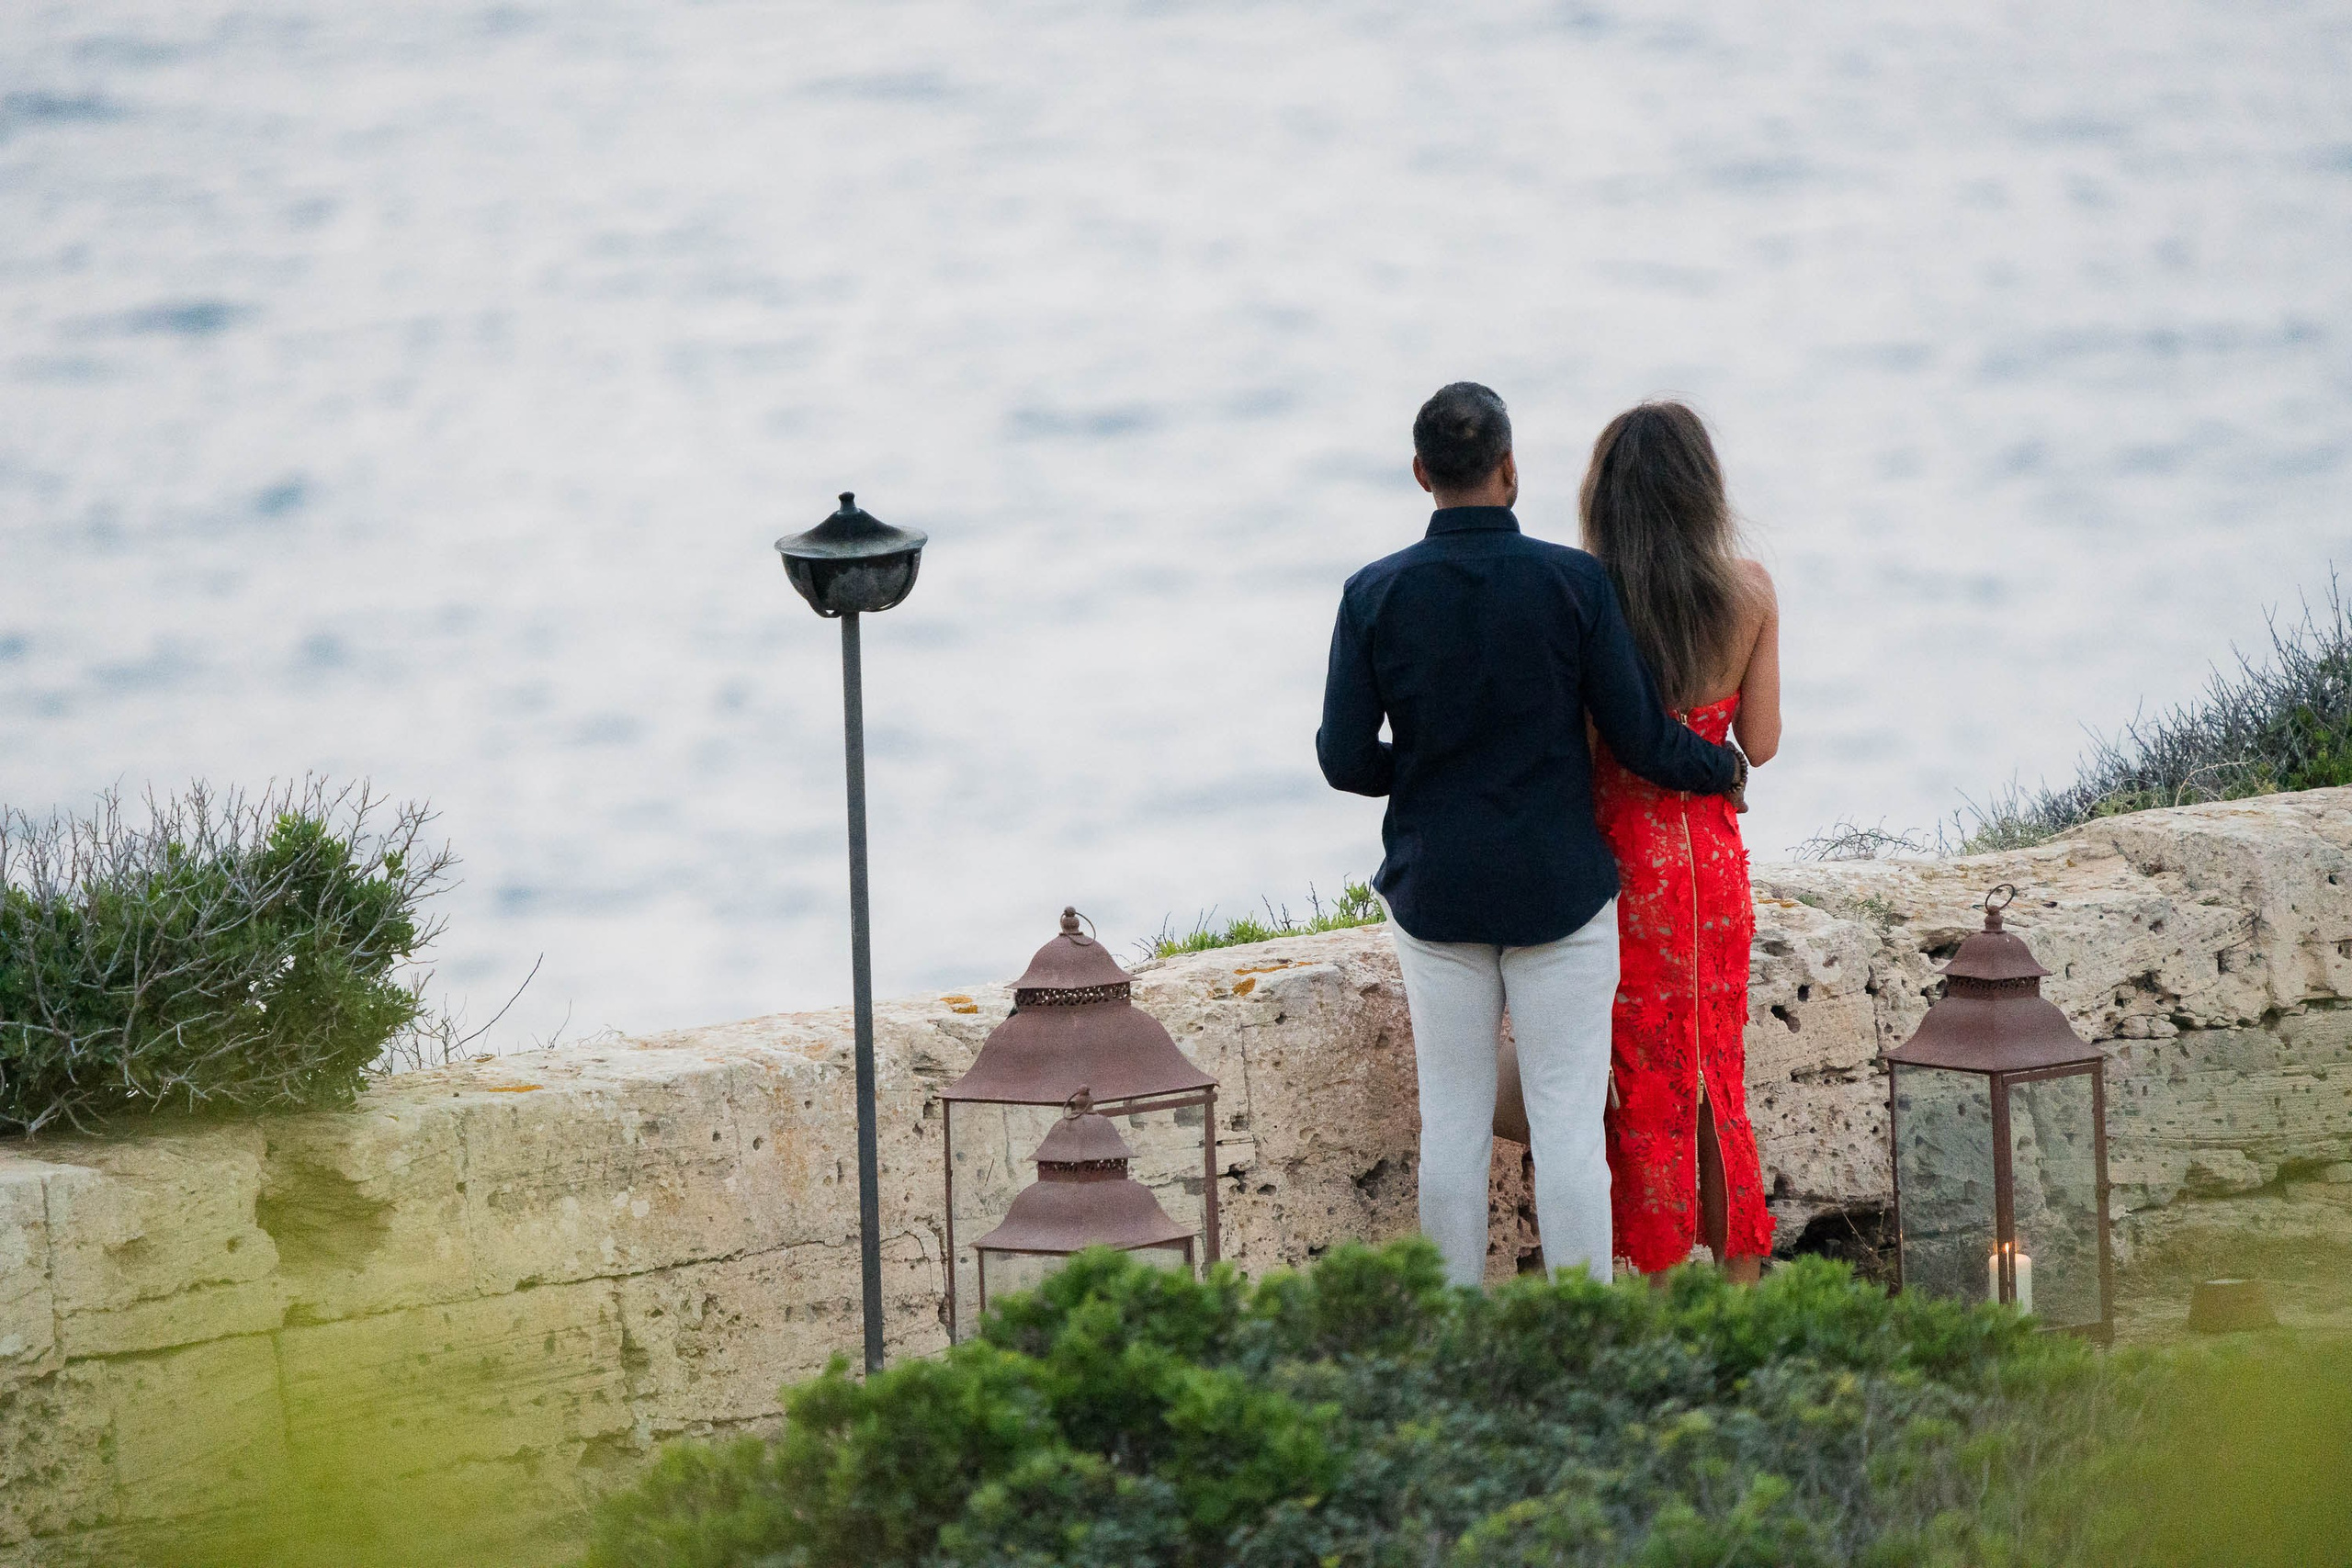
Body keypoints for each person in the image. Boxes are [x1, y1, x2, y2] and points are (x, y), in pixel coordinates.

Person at [1317, 382, 1748, 1289]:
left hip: (1438, 893)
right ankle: (1582, 1328)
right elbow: (1640, 738)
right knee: (1567, 1130)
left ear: (1421, 473)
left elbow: (1344, 760)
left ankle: (1453, 1328)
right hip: (1560, 892)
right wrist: (1722, 767)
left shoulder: (1372, 594)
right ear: (1510, 468)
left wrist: (1428, 771)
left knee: (1453, 1126)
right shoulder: (1574, 583)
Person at [1579, 400, 1780, 1284]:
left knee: (1644, 1079)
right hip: (1714, 860)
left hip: (1631, 861)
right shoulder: (1750, 591)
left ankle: (1660, 1293)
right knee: (1717, 1077)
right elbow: (1761, 742)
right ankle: (1741, 1292)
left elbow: (1588, 749)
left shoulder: (1597, 601)